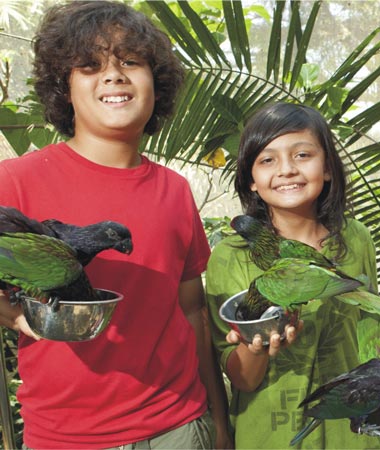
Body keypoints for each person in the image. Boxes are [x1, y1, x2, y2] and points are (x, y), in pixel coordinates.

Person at [0, 2, 232, 448]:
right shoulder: (16, 183)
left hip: (180, 427)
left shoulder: (175, 190)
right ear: (63, 88)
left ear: (156, 83)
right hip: (65, 437)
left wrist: (218, 424)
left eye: (130, 62)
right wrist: (18, 318)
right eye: (90, 66)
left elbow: (192, 312)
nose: (113, 75)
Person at [205, 102, 380, 448]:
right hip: (270, 436)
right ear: (251, 181)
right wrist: (255, 349)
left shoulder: (355, 239)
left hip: (353, 435)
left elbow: (371, 333)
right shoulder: (232, 257)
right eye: (267, 160)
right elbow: (240, 378)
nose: (286, 170)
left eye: (302, 155)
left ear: (328, 168)